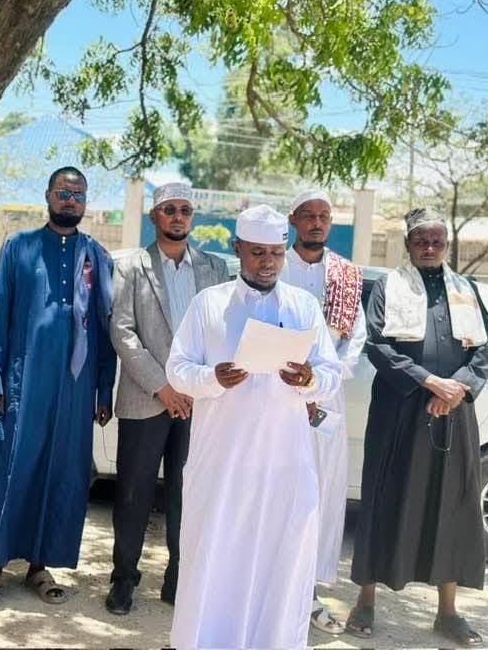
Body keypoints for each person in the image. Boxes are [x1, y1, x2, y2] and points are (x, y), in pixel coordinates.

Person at [165, 204, 343, 650]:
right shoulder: (209, 304)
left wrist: (309, 380)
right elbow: (177, 369)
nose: (268, 262)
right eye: (258, 252)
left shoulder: (303, 306)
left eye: (276, 253)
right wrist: (212, 378)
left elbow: (332, 374)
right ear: (237, 248)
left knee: (278, 561)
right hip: (222, 464)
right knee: (216, 557)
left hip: (284, 465)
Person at [0, 166, 117, 610]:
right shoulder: (19, 247)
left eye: (78, 195)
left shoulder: (97, 256)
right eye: (63, 193)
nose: (71, 201)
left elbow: (107, 326)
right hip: (24, 378)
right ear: (48, 196)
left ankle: (39, 565)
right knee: (11, 466)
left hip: (76, 386)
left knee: (63, 472)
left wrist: (103, 389)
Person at [347, 207, 488, 647]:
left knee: (453, 506)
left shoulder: (465, 289)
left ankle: (447, 612)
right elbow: (376, 344)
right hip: (400, 410)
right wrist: (428, 381)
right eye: (421, 241)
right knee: (383, 499)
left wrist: (457, 388)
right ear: (408, 245)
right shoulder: (388, 287)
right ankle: (365, 602)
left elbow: (485, 351)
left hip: (453, 412)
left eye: (437, 242)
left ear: (447, 246)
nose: (429, 248)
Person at [104, 181, 229, 615]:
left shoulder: (214, 268)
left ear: (192, 217)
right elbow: (122, 331)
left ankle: (180, 579)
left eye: (185, 210)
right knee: (133, 494)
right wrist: (163, 387)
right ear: (154, 216)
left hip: (199, 401)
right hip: (147, 397)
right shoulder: (130, 267)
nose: (178, 217)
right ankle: (124, 579)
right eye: (169, 209)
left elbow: (222, 332)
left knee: (188, 493)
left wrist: (196, 385)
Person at [283, 189, 366, 635]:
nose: (317, 223)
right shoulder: (275, 264)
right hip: (276, 398)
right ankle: (273, 587)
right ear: (293, 221)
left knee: (321, 496)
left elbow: (355, 341)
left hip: (326, 401)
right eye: (309, 215)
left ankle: (308, 595)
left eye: (325, 216)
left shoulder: (346, 275)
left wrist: (321, 380)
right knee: (277, 490)